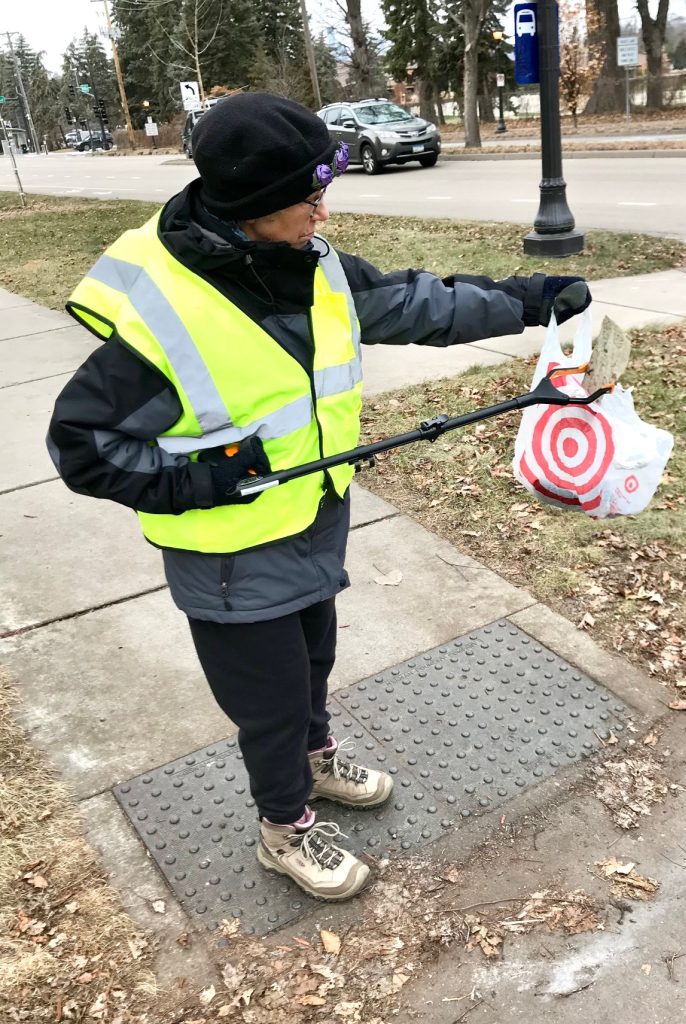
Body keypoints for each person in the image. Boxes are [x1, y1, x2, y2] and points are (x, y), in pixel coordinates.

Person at [47, 92, 591, 903]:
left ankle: (314, 761)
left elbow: (408, 303)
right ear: (255, 207)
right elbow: (81, 446)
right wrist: (201, 477)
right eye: (307, 198)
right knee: (266, 704)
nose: (321, 209)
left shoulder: (307, 259)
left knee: (310, 667)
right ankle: (283, 828)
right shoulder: (162, 316)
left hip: (310, 519)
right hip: (228, 553)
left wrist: (522, 299)